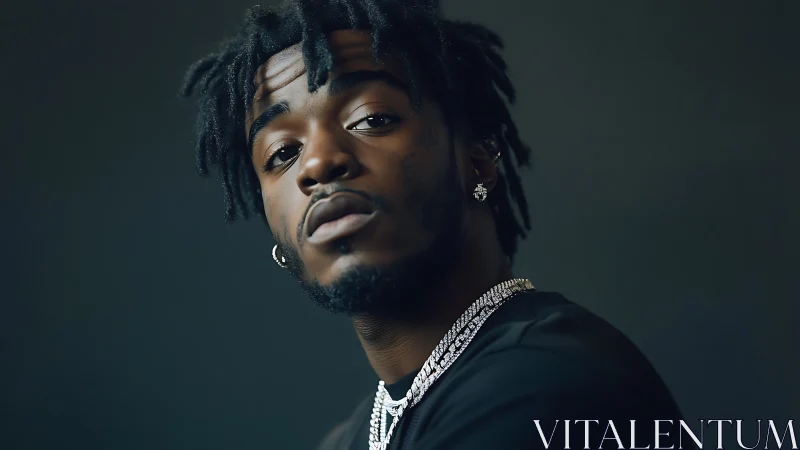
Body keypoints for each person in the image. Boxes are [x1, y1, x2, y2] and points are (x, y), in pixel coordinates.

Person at [179, 1, 686, 449]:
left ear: (478, 161)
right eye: (282, 153)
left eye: (371, 118)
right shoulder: (352, 438)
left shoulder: (544, 383)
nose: (317, 164)